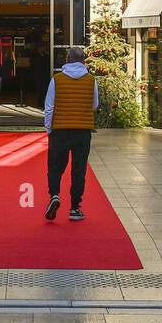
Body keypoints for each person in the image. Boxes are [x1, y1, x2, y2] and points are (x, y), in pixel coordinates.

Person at [42, 45, 99, 222]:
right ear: (84, 61)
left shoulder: (56, 79)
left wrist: (49, 129)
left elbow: (49, 107)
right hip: (82, 131)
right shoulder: (91, 80)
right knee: (79, 169)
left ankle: (54, 196)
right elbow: (94, 105)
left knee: (55, 166)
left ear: (67, 60)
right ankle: (75, 208)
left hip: (60, 130)